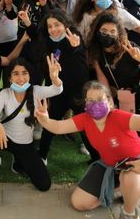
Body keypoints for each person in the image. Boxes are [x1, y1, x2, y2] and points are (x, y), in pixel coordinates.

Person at [34, 81, 140, 219]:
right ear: (85, 103)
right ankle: (124, 190)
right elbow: (58, 127)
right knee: (79, 203)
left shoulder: (118, 116)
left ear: (109, 102)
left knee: (129, 179)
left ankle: (129, 212)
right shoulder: (85, 119)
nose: (95, 104)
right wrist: (45, 120)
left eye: (100, 99)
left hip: (135, 162)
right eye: (90, 100)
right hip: (110, 166)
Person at [23, 9, 98, 163]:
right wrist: (27, 23)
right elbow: (36, 35)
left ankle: (96, 158)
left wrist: (76, 46)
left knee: (84, 125)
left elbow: (78, 49)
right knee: (50, 123)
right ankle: (42, 155)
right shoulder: (46, 40)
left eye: (57, 24)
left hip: (78, 92)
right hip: (57, 92)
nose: (53, 29)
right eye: (50, 26)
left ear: (65, 24)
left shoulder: (73, 36)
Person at [0, 56, 62, 191]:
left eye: (24, 73)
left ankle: (18, 162)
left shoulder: (36, 91)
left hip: (25, 144)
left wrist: (55, 78)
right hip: (4, 139)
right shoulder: (5, 94)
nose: (21, 78)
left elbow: (57, 90)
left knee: (44, 184)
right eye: (16, 74)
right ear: (9, 78)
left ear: (29, 75)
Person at [86, 12, 140, 129]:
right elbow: (102, 77)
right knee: (127, 129)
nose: (108, 35)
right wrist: (108, 100)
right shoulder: (96, 51)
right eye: (104, 31)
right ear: (97, 31)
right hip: (126, 96)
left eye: (113, 31)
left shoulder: (128, 47)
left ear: (119, 33)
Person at [4, 0, 54, 85]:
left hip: (37, 48)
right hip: (20, 43)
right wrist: (8, 5)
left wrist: (44, 5)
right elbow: (12, 15)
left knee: (34, 81)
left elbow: (46, 26)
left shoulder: (49, 1)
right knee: (18, 78)